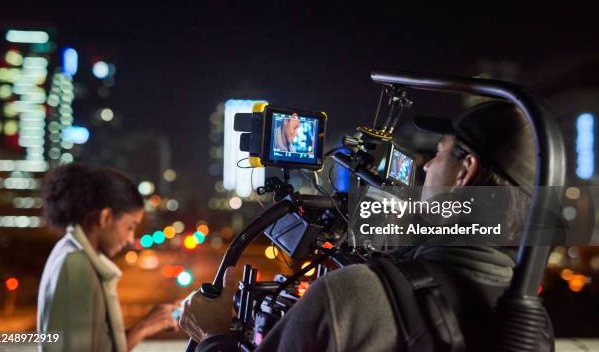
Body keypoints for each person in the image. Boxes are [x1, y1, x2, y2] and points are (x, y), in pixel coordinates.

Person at [180, 101, 547, 351]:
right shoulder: (532, 323)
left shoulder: (355, 297)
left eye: (437, 154)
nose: (425, 168)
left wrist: (213, 335)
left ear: (465, 171)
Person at [37, 163, 179, 352]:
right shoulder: (75, 265)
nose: (130, 239)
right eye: (130, 227)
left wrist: (146, 326)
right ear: (105, 217)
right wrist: (144, 327)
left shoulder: (75, 255)